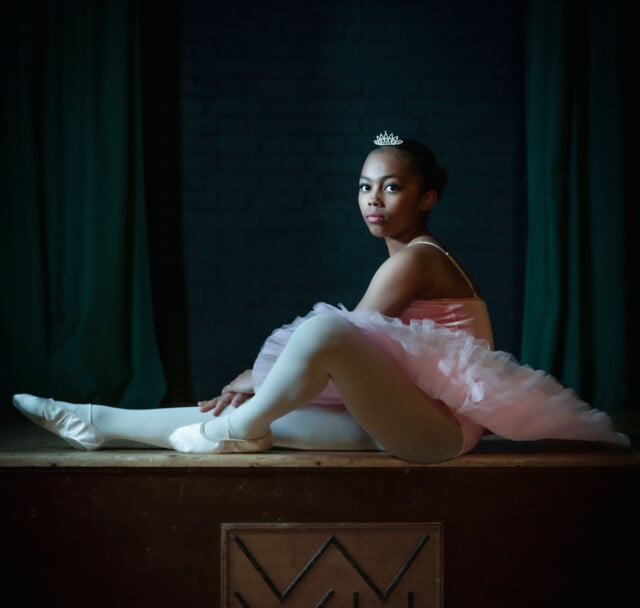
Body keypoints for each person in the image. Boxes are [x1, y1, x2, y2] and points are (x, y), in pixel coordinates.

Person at [12, 132, 630, 462]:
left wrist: (258, 377)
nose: (373, 200)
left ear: (426, 199)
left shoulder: (418, 259)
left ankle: (238, 430)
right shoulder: (410, 256)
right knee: (264, 404)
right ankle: (94, 423)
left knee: (325, 330)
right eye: (365, 187)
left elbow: (347, 338)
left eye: (391, 188)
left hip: (436, 434)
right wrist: (262, 383)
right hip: (396, 421)